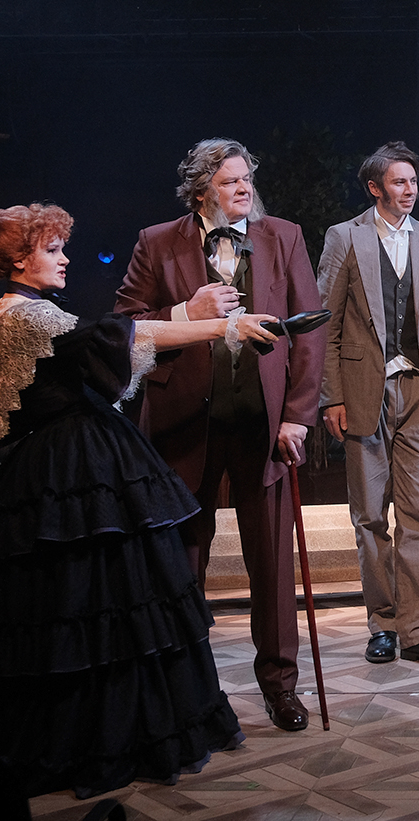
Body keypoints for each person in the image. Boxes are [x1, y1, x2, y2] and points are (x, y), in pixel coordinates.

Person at [0, 204, 277, 798]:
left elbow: (110, 349)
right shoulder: (24, 315)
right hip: (67, 465)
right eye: (52, 249)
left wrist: (208, 323)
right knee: (70, 600)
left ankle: (114, 723)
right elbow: (125, 337)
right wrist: (219, 326)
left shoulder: (30, 309)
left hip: (81, 454)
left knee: (105, 599)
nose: (65, 259)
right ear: (19, 260)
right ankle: (73, 734)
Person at [115, 139, 323, 732]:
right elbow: (125, 327)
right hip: (184, 425)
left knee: (273, 564)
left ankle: (281, 687)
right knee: (183, 561)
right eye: (230, 181)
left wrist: (297, 416)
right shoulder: (158, 242)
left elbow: (309, 332)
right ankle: (187, 691)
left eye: (247, 178)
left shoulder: (283, 236)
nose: (244, 189)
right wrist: (188, 309)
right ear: (201, 190)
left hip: (264, 425)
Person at [317, 141, 419, 669]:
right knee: (369, 516)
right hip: (364, 393)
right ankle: (382, 624)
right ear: (375, 188)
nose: (410, 190)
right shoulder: (345, 237)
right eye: (400, 182)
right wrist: (332, 396)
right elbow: (326, 324)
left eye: (413, 182)